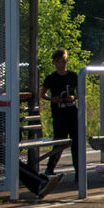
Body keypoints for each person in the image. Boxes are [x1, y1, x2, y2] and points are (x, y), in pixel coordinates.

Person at [41, 48, 80, 182]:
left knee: (76, 142)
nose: (62, 64)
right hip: (59, 114)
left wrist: (73, 97)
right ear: (54, 63)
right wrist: (53, 99)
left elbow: (80, 93)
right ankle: (50, 167)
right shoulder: (51, 78)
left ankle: (78, 172)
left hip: (72, 113)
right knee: (60, 142)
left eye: (64, 61)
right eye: (59, 61)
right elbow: (43, 94)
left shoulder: (73, 76)